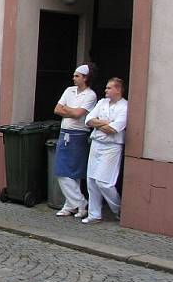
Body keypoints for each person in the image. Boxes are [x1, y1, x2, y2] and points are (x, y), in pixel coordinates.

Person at [53, 63, 97, 218]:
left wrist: (69, 110)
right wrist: (71, 112)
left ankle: (75, 204)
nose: (74, 78)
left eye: (77, 76)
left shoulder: (90, 95)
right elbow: (57, 109)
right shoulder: (69, 90)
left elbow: (79, 114)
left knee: (73, 172)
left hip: (78, 134)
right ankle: (77, 204)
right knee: (62, 170)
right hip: (64, 132)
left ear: (85, 78)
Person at [82, 77, 128, 224]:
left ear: (118, 90)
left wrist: (98, 123)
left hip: (112, 146)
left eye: (109, 88)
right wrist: (105, 122)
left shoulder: (124, 106)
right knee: (91, 181)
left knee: (104, 182)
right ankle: (94, 214)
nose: (106, 90)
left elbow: (114, 129)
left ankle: (118, 209)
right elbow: (88, 120)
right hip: (96, 143)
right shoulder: (102, 103)